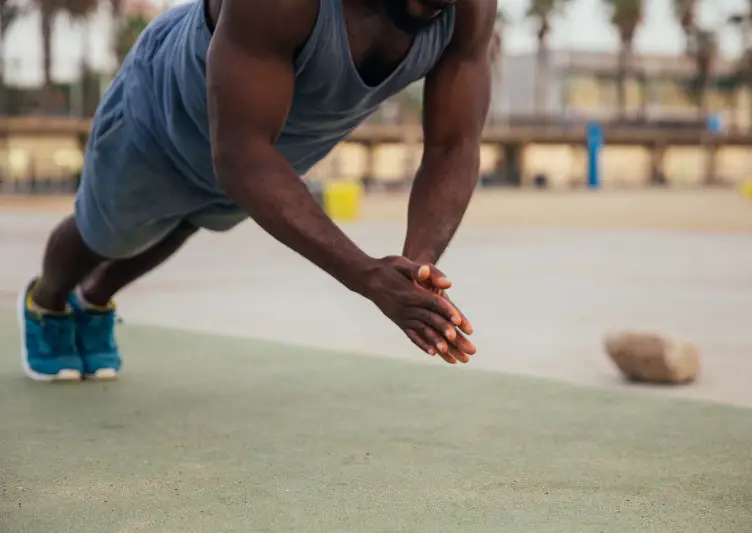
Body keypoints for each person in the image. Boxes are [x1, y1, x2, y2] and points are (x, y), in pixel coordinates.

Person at [17, 0, 495, 381]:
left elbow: (454, 145)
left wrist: (417, 269)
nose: (427, 8)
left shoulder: (466, 9)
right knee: (104, 233)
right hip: (163, 116)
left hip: (271, 149)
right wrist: (366, 276)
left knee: (194, 218)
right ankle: (49, 302)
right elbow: (242, 158)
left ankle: (95, 299)